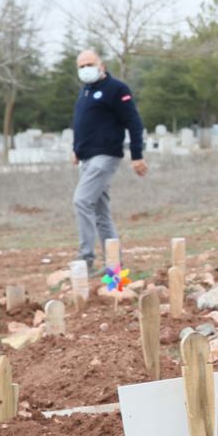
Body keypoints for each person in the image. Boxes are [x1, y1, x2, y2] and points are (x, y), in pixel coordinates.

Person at [71, 49, 147, 273]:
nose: (86, 69)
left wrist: (137, 155)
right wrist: (76, 149)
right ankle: (114, 265)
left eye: (90, 64)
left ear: (101, 65)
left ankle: (85, 257)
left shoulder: (116, 89)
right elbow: (83, 123)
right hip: (87, 158)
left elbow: (134, 122)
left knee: (81, 201)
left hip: (105, 156)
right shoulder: (86, 91)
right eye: (81, 66)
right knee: (100, 212)